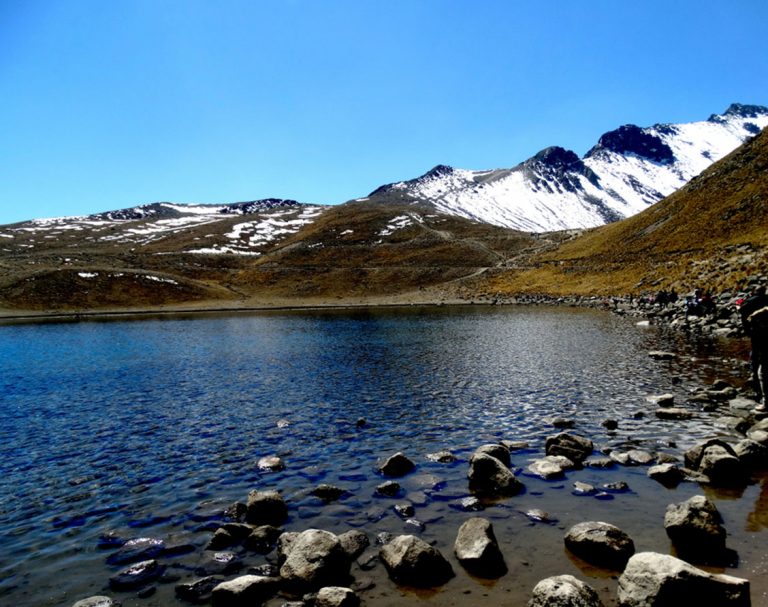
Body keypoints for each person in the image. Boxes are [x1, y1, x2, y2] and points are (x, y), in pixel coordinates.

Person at [740, 286, 768, 406]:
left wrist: (747, 329)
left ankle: (755, 378)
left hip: (757, 332)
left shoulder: (750, 301)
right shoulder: (767, 299)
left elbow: (742, 312)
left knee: (757, 356)